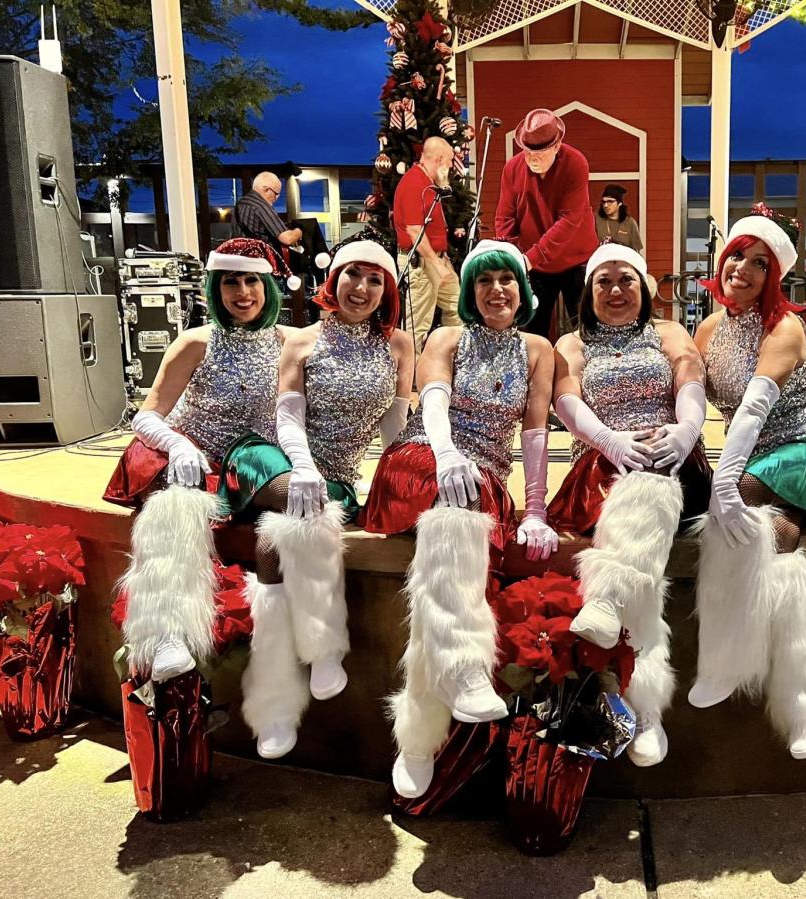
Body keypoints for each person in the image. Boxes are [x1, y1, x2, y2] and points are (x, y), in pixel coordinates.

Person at [362, 240, 557, 799]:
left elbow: (536, 432)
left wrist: (539, 509)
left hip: (484, 477)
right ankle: (466, 672)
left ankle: (417, 738)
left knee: (461, 517)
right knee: (458, 505)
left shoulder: (538, 348)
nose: (496, 290)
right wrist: (446, 455)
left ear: (522, 290)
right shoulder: (448, 336)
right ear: (469, 292)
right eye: (483, 281)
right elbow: (435, 402)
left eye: (507, 280)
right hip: (422, 457)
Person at [213, 239, 414, 759]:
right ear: (335, 279)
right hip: (269, 458)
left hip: (339, 475)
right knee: (301, 506)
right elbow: (286, 417)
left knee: (276, 540)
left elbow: (396, 421)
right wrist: (300, 464)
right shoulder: (302, 340)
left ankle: (276, 706)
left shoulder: (400, 345)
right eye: (353, 275)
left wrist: (402, 470)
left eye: (374, 279)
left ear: (386, 289)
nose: (362, 288)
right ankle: (323, 648)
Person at [687, 205, 806, 760]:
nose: (743, 267)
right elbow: (686, 403)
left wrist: (726, 482)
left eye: (760, 262)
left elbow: (753, 412)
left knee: (736, 506)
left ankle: (723, 662)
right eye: (737, 253)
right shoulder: (709, 328)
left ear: (774, 276)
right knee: (774, 538)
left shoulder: (785, 326)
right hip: (757, 462)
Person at [546, 243, 709, 768]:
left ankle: (606, 602)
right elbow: (565, 399)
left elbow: (689, 376)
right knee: (645, 502)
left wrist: (685, 430)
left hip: (672, 459)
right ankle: (648, 714)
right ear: (588, 291)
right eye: (604, 282)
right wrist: (611, 441)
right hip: (600, 467)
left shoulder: (667, 333)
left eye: (627, 281)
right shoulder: (572, 341)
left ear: (644, 287)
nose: (616, 291)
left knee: (656, 480)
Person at [104, 238, 293, 684]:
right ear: (215, 287)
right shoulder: (196, 342)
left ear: (268, 285)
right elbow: (146, 415)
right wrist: (178, 445)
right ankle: (168, 631)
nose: (243, 292)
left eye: (252, 280)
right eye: (231, 282)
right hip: (192, 456)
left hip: (252, 459)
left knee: (295, 505)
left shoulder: (289, 340)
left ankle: (284, 626)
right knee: (175, 509)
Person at [495, 108, 598, 338]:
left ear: (556, 146)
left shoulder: (575, 163)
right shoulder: (512, 168)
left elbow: (570, 220)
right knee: (531, 332)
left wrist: (530, 257)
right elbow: (505, 218)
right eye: (527, 151)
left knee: (585, 330)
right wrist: (511, 256)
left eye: (539, 152)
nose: (532, 158)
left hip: (576, 260)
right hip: (535, 265)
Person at [393, 137, 462, 356]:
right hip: (422, 263)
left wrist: (443, 260)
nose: (452, 166)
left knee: (456, 308)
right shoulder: (414, 183)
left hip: (435, 259)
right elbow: (415, 231)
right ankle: (413, 378)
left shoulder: (429, 184)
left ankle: (450, 360)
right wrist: (435, 262)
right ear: (440, 159)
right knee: (418, 325)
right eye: (450, 161)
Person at [234, 172, 304, 257]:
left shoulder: (240, 204)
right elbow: (287, 238)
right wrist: (300, 231)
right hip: (260, 261)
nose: (276, 198)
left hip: (239, 258)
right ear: (266, 190)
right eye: (276, 194)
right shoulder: (261, 205)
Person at [595, 184, 643, 252]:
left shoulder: (630, 223)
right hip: (601, 260)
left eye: (610, 202)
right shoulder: (596, 220)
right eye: (604, 202)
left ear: (619, 203)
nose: (605, 205)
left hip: (623, 260)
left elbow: (636, 251)